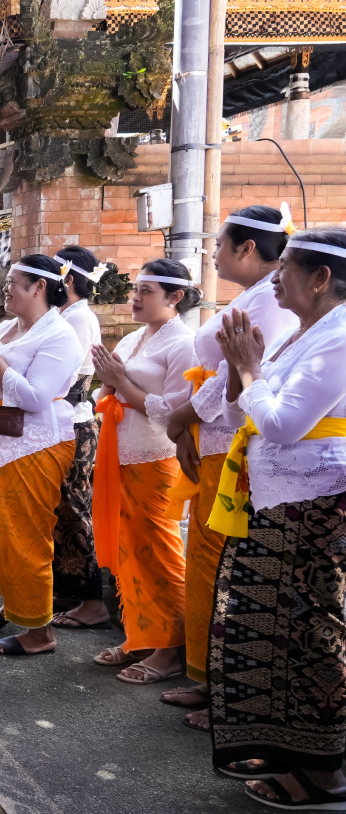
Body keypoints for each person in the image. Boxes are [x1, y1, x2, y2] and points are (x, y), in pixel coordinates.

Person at [208, 227, 346, 808]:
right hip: (278, 503)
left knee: (313, 633)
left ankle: (323, 771)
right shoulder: (303, 333)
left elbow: (284, 424)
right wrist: (243, 370)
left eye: (285, 266)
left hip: (316, 508)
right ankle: (284, 745)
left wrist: (249, 369)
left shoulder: (340, 337)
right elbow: (246, 411)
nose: (274, 278)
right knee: (272, 630)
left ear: (320, 278)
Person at [161, 205, 299, 730]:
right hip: (216, 435)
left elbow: (236, 376)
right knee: (205, 557)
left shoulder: (272, 301)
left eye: (219, 243)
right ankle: (207, 675)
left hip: (238, 442)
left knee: (224, 562)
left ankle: (227, 687)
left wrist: (180, 419)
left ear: (247, 248)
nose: (212, 253)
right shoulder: (255, 295)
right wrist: (185, 424)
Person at [0, 254, 83, 655]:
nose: (5, 288)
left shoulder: (60, 336)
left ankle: (39, 633)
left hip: (36, 444)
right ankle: (16, 602)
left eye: (13, 281)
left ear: (39, 287)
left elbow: (33, 399)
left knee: (23, 537)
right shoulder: (8, 327)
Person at [90, 258, 198, 684]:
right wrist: (109, 381)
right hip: (119, 453)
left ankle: (170, 650)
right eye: (135, 289)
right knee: (129, 552)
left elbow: (173, 412)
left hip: (155, 457)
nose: (134, 298)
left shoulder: (184, 344)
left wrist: (120, 381)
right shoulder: (135, 337)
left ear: (175, 297)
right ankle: (140, 636)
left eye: (145, 291)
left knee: (159, 552)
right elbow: (108, 391)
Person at [47, 247, 109, 633]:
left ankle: (93, 602)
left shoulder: (80, 318)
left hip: (74, 424)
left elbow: (67, 379)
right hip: (61, 423)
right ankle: (69, 591)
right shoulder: (67, 316)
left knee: (73, 510)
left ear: (67, 279)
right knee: (61, 510)